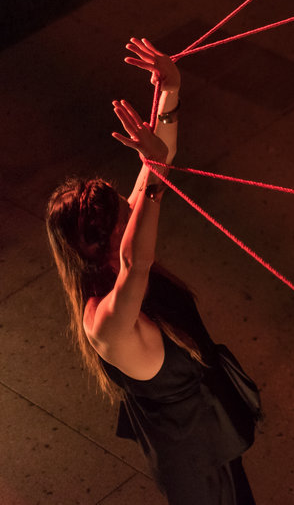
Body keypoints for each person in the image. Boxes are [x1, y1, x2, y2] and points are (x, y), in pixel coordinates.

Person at [46, 38, 260, 504]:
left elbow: (160, 161)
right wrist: (156, 173)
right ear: (105, 239)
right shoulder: (107, 321)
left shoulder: (112, 259)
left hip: (208, 437)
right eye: (129, 212)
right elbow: (136, 260)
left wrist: (170, 90)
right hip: (197, 465)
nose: (136, 206)